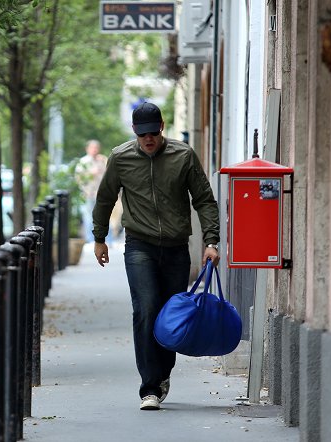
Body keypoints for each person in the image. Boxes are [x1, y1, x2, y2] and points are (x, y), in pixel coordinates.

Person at [91, 102, 220, 410]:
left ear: (161, 127)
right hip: (139, 245)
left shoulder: (183, 156)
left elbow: (204, 199)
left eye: (152, 132)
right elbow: (105, 198)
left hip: (176, 247)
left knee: (170, 314)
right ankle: (149, 386)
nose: (148, 139)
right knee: (146, 309)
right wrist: (99, 238)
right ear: (135, 132)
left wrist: (211, 241)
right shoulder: (121, 158)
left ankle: (162, 375)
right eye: (142, 134)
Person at [75, 140, 108, 242]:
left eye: (96, 148)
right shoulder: (83, 162)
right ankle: (90, 240)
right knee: (88, 217)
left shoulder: (101, 160)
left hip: (100, 194)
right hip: (87, 194)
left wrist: (105, 159)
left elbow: (109, 172)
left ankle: (105, 239)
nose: (95, 150)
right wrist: (90, 173)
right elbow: (78, 178)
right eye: (92, 148)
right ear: (87, 149)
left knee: (103, 216)